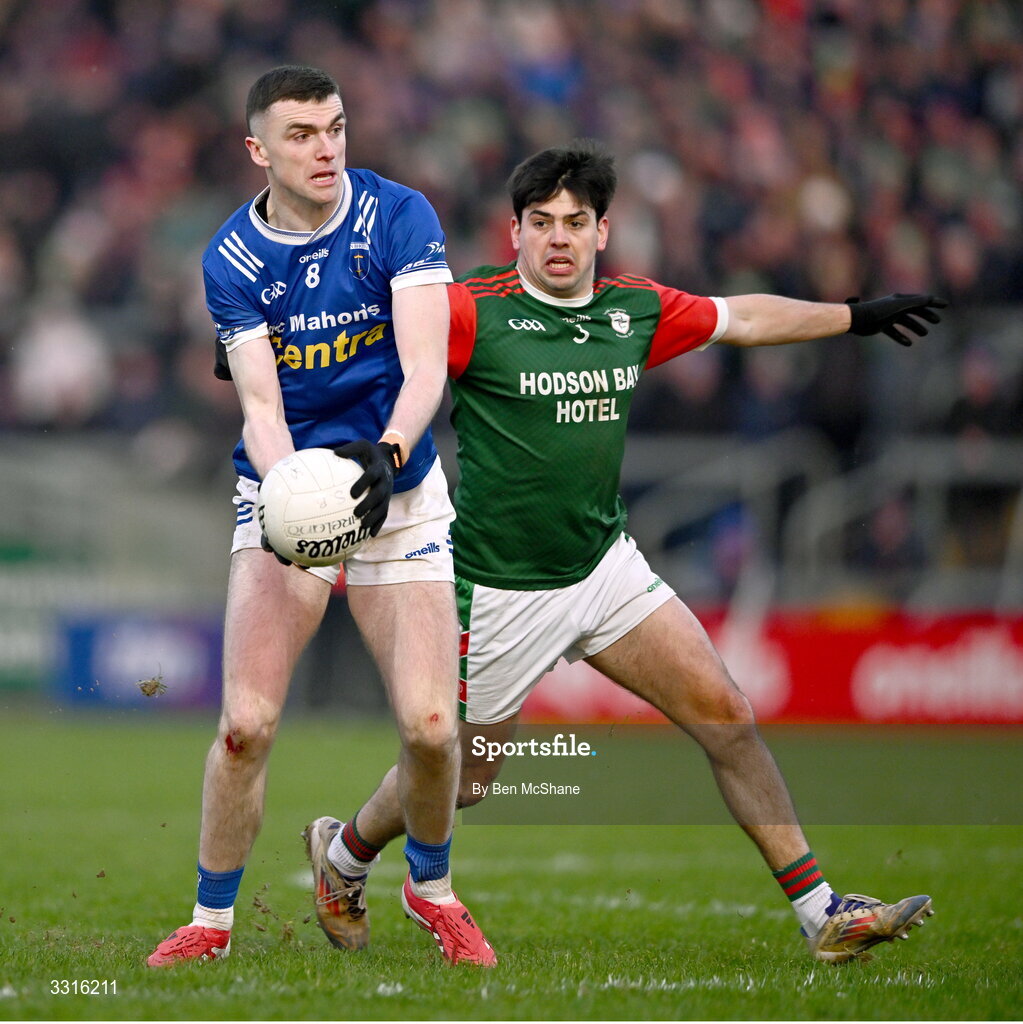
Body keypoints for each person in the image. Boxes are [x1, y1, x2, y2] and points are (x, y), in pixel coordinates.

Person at [305, 140, 942, 964]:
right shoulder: (472, 311)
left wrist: (852, 317)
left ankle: (822, 913)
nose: (558, 238)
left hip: (605, 569)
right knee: (463, 783)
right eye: (541, 223)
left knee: (729, 717)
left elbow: (742, 316)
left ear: (604, 230)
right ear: (514, 233)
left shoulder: (633, 310)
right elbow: (374, 343)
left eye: (575, 222)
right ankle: (344, 855)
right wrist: (274, 354)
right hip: (497, 591)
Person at [147, 65, 495, 968]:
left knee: (429, 729)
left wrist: (384, 453)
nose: (326, 146)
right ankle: (211, 924)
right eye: (301, 133)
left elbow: (425, 367)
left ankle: (432, 891)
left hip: (400, 487)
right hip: (291, 492)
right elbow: (260, 410)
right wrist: (293, 490)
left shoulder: (398, 215)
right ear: (258, 150)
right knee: (245, 724)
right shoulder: (229, 259)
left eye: (335, 127)